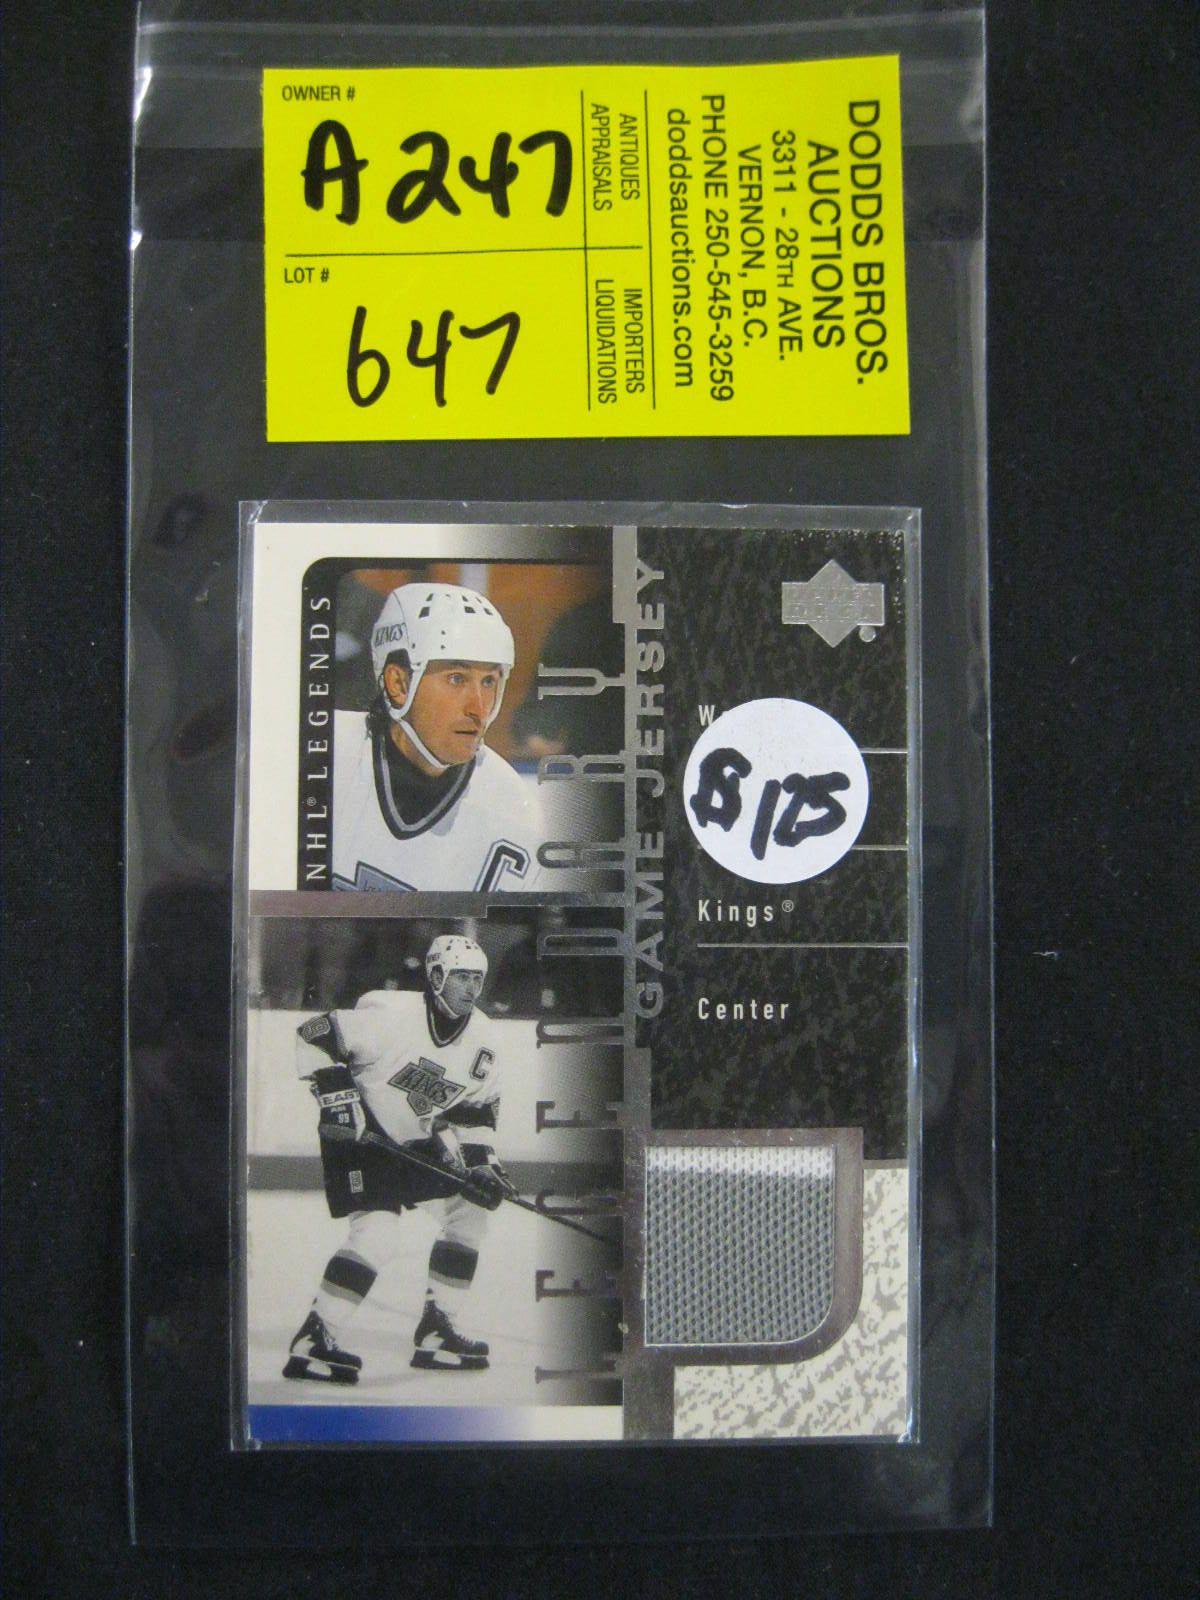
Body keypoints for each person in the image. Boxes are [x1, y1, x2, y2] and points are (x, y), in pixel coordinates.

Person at [283, 934, 516, 1382]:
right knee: (378, 1233)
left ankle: (437, 1330)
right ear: (436, 976)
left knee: (469, 1213)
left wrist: (482, 1166)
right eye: (462, 977)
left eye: (477, 978)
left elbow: (475, 1113)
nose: (472, 988)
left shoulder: (484, 1040)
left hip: (414, 1140)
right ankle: (315, 1338)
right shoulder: (391, 1016)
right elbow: (313, 1035)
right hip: (360, 1137)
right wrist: (337, 1097)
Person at [332, 582, 542, 892]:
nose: (479, 709)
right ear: (398, 684)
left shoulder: (513, 812)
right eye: (457, 679)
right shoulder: (323, 754)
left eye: (488, 681)